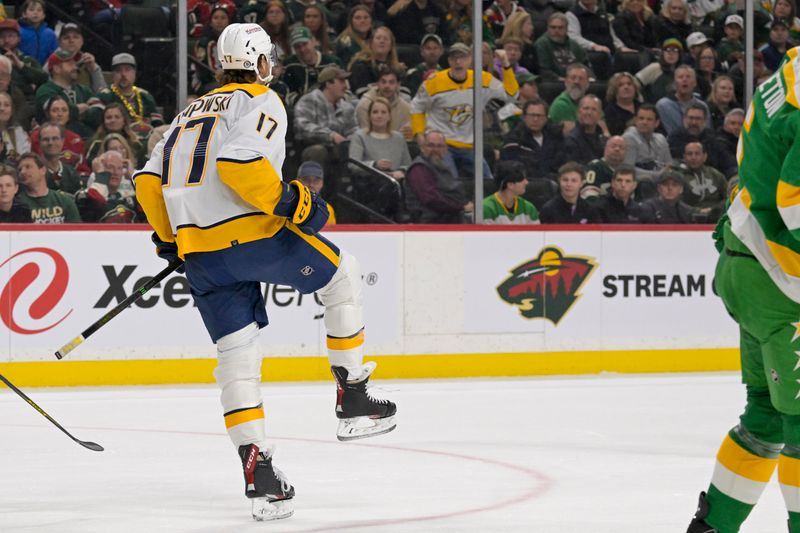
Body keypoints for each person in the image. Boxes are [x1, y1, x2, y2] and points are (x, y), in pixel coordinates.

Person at [134, 23, 396, 523]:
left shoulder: (188, 113)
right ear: (257, 63)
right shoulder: (261, 99)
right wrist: (294, 203)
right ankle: (354, 397)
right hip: (252, 237)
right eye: (267, 60)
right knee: (343, 276)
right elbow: (240, 165)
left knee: (236, 356)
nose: (269, 67)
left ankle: (260, 475)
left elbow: (148, 180)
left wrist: (171, 238)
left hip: (202, 255)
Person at [686, 45, 800, 533]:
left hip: (744, 260)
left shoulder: (791, 69)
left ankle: (712, 529)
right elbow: (794, 203)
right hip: (781, 279)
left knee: (766, 418)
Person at [410, 42, 519, 181]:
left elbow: (512, 95)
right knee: (450, 182)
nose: (458, 62)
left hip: (470, 145)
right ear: (449, 61)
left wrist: (505, 65)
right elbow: (416, 107)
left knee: (488, 181)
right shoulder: (434, 82)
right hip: (443, 144)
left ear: (470, 60)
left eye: (462, 57)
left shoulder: (483, 79)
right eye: (454, 58)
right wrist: (419, 134)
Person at [349, 96, 412, 217]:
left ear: (389, 116)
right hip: (370, 182)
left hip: (397, 180)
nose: (379, 115)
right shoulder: (360, 136)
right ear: (369, 116)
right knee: (387, 185)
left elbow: (408, 164)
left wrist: (402, 171)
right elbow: (353, 164)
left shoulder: (399, 138)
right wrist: (374, 164)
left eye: (383, 112)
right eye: (375, 112)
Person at [405, 130, 473, 223]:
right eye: (431, 145)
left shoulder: (442, 166)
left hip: (450, 217)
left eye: (439, 146)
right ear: (422, 148)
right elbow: (430, 198)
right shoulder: (419, 168)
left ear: (445, 149)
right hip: (430, 223)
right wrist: (461, 206)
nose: (435, 150)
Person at [34, 48, 103, 139]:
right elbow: (56, 112)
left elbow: (99, 112)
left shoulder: (83, 89)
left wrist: (76, 113)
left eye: (75, 64)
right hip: (58, 142)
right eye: (70, 64)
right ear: (57, 69)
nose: (75, 67)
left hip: (88, 140)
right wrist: (81, 109)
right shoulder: (45, 90)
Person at [98, 53, 164, 141]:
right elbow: (96, 122)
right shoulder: (105, 95)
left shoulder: (145, 96)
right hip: (116, 142)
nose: (123, 74)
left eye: (127, 70)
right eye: (118, 70)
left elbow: (157, 124)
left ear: (134, 73)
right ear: (112, 75)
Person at [500, 97, 565, 181]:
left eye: (539, 116)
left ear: (546, 118)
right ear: (524, 117)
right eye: (531, 115)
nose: (535, 119)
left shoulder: (556, 137)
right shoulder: (514, 141)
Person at [75, 149, 139, 223]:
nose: (116, 172)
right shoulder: (84, 196)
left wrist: (134, 177)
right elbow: (96, 201)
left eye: (120, 168)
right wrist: (101, 176)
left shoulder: (129, 201)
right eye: (110, 167)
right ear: (100, 168)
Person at [16, 151, 81, 223]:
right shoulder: (17, 204)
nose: (22, 172)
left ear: (43, 170)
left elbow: (76, 231)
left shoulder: (64, 201)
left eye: (28, 167)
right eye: (20, 169)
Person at [282, 26, 342, 101]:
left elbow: (346, 90)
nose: (302, 50)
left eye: (305, 44)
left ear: (313, 41)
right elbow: (287, 93)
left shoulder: (332, 62)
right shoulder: (289, 65)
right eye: (297, 47)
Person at [347, 26, 406, 98]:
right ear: (370, 43)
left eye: (386, 39)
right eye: (378, 38)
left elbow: (405, 95)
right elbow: (363, 95)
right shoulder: (360, 66)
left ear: (391, 46)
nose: (382, 41)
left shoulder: (398, 69)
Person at [355, 65, 411, 138]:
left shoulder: (405, 108)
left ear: (398, 85)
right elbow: (366, 138)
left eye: (391, 82)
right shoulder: (364, 105)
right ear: (377, 84)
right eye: (383, 82)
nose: (387, 86)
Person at [622, 103, 671, 184]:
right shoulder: (629, 138)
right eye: (641, 118)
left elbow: (669, 165)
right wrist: (657, 175)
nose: (644, 122)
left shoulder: (661, 139)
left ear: (657, 123)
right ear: (635, 120)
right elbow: (628, 169)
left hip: (661, 183)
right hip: (637, 184)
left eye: (649, 119)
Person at [677, 141, 727, 221]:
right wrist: (697, 211)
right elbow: (676, 202)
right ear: (684, 157)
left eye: (697, 154)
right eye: (690, 154)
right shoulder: (679, 176)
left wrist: (714, 210)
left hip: (716, 216)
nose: (693, 157)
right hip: (688, 218)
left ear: (704, 157)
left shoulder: (716, 175)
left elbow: (728, 198)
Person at [656, 65, 712, 136]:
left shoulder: (703, 106)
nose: (684, 80)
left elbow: (707, 131)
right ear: (674, 84)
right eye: (680, 77)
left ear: (695, 83)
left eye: (688, 77)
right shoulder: (663, 105)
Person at [534, 12, 587, 79]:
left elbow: (585, 66)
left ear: (567, 29)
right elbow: (543, 70)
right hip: (553, 83)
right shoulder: (541, 44)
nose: (556, 30)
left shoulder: (575, 46)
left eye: (560, 27)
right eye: (553, 27)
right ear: (547, 28)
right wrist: (559, 79)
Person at [55, 23, 106, 93]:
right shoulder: (53, 63)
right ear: (59, 42)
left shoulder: (89, 62)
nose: (71, 40)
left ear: (82, 41)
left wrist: (93, 69)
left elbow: (102, 92)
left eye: (75, 37)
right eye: (66, 38)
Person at [38, 122, 83, 194]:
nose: (50, 143)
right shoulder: (34, 172)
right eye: (46, 139)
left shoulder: (72, 173)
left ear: (62, 141)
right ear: (39, 142)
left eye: (55, 138)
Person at [564, 94, 607, 165]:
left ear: (599, 115)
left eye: (594, 109)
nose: (589, 113)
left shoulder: (602, 139)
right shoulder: (572, 140)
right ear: (578, 112)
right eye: (586, 108)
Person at [547, 62, 590, 133]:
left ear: (588, 84)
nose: (576, 81)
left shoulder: (590, 102)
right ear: (566, 81)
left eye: (581, 78)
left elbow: (602, 126)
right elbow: (574, 133)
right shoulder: (560, 105)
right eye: (573, 78)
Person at [296, 160, 335, 226]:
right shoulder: (288, 205)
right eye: (306, 180)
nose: (311, 184)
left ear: (322, 183)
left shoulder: (328, 210)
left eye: (316, 180)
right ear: (298, 181)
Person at [18, 0, 57, 66]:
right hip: (22, 69)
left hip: (43, 71)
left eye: (39, 10)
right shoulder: (18, 31)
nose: (35, 13)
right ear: (24, 14)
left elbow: (54, 54)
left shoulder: (50, 33)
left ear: (43, 15)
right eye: (31, 10)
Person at [708, 107, 744, 179]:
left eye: (740, 124)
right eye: (733, 123)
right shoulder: (719, 142)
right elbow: (730, 163)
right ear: (725, 124)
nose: (736, 127)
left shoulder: (747, 141)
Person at [604, 72, 641, 136]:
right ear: (614, 90)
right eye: (621, 85)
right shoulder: (609, 112)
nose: (626, 87)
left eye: (629, 84)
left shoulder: (643, 107)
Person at [0, 90, 30, 166]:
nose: (2, 109)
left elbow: (25, 157)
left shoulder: (18, 131)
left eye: (6, 105)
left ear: (12, 110)